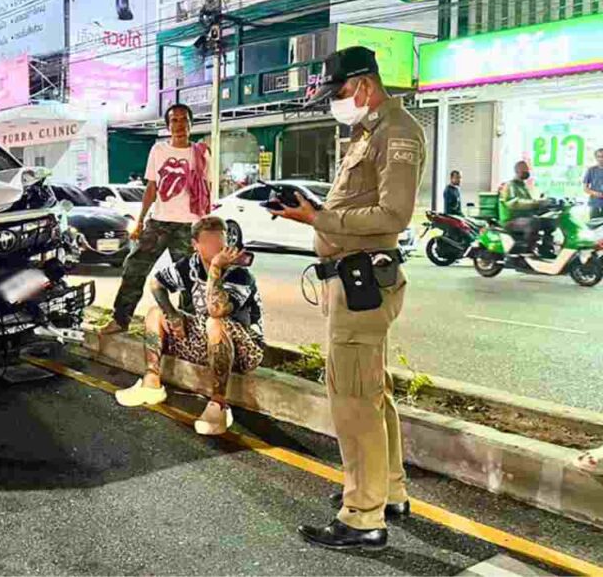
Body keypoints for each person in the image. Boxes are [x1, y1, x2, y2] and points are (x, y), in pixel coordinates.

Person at [272, 46, 426, 552]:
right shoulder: (368, 133)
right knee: (371, 392)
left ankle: (363, 517)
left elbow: (392, 216)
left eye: (338, 92)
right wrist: (316, 211)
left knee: (354, 403)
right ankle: (391, 491)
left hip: (364, 282)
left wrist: (318, 220)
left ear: (362, 85)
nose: (335, 102)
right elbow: (357, 203)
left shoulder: (397, 133)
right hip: (353, 278)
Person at [114, 217, 264, 435]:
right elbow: (156, 283)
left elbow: (217, 310)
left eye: (220, 242)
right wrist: (172, 313)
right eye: (210, 242)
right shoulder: (190, 264)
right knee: (156, 313)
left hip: (244, 350)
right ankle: (151, 382)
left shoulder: (239, 273)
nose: (217, 248)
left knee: (215, 322)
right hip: (205, 341)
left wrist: (215, 267)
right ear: (195, 244)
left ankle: (219, 403)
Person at [102, 103, 211, 334]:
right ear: (168, 125)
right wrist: (140, 221)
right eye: (174, 120)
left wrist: (204, 226)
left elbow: (205, 191)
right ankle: (121, 320)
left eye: (184, 120)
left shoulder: (200, 153)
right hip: (159, 222)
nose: (179, 125)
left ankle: (190, 329)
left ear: (191, 124)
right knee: (134, 268)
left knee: (191, 279)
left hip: (187, 226)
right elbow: (151, 188)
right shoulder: (158, 150)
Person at [500, 160, 549, 253]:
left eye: (528, 170)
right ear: (517, 171)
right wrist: (535, 203)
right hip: (511, 219)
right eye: (525, 170)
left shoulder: (522, 186)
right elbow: (514, 204)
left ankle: (545, 249)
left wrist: (543, 204)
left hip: (522, 218)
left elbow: (530, 203)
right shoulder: (510, 185)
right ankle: (526, 251)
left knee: (548, 222)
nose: (527, 172)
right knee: (533, 222)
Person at [583, 148, 603, 220]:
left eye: (602, 156)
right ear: (596, 158)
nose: (601, 159)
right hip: (595, 203)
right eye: (599, 156)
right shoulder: (591, 170)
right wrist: (595, 193)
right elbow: (585, 188)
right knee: (594, 227)